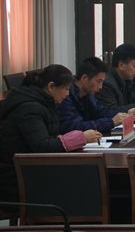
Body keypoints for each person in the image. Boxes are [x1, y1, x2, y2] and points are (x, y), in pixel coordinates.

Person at [0, 65, 102, 202]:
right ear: (51, 87)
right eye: (66, 89)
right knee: (88, 184)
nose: (68, 94)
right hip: (18, 179)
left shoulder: (43, 102)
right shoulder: (29, 108)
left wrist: (58, 138)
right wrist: (80, 138)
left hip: (32, 170)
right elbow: (42, 146)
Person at [57, 57, 135, 134]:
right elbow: (74, 127)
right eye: (98, 81)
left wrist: (124, 114)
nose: (100, 87)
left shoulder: (89, 94)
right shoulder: (65, 96)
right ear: (85, 78)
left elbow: (102, 111)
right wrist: (111, 122)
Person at [96, 43, 135, 113]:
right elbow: (112, 110)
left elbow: (132, 100)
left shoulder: (126, 80)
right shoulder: (107, 84)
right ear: (121, 65)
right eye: (134, 66)